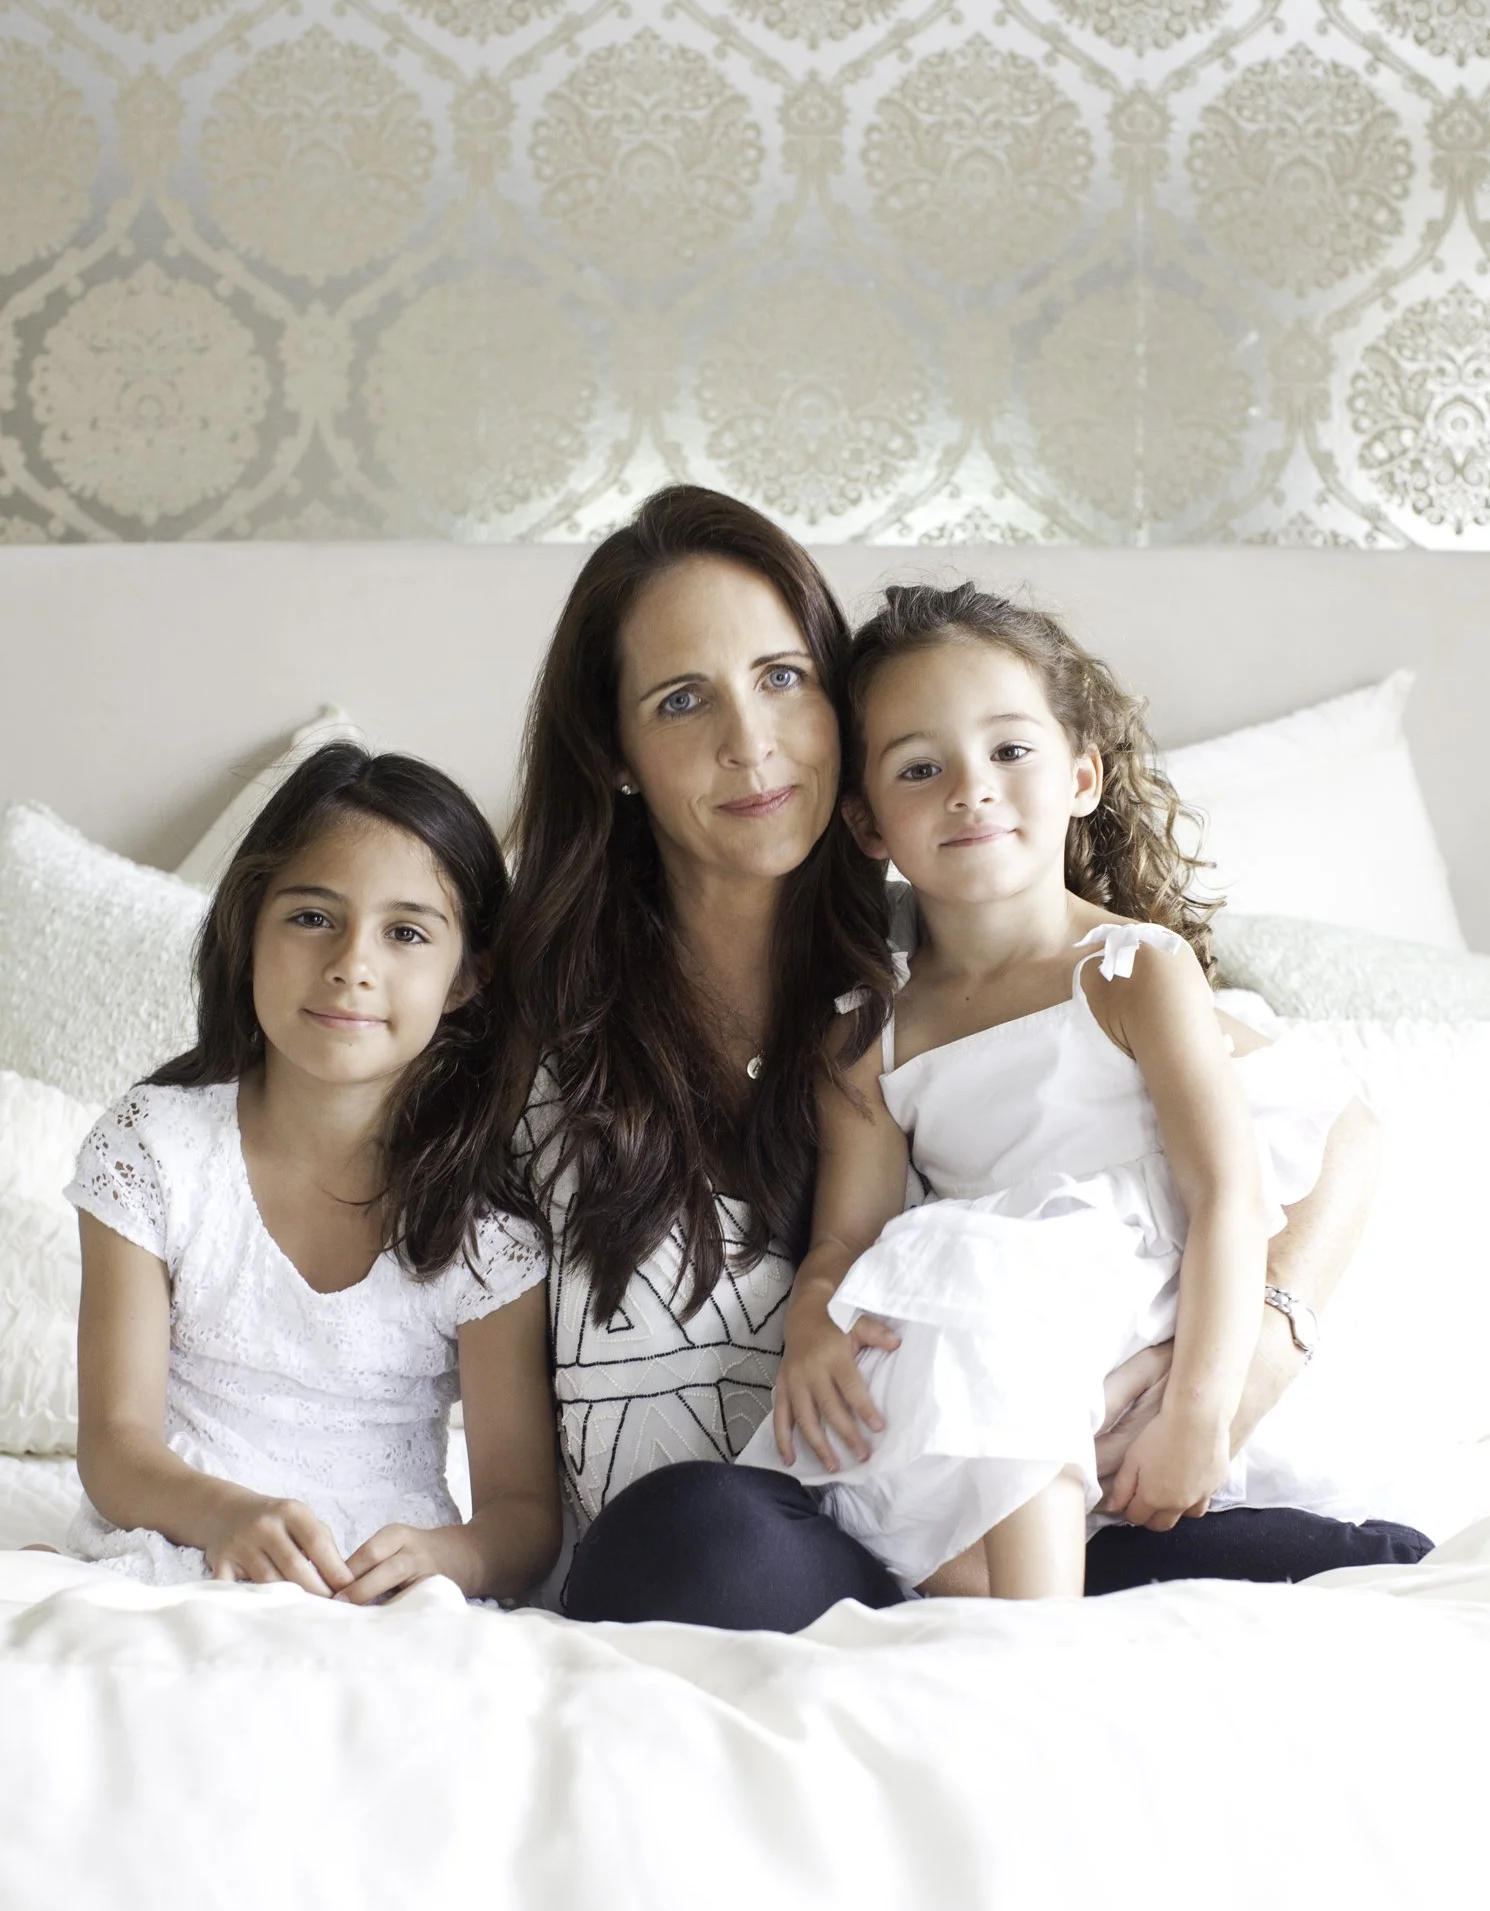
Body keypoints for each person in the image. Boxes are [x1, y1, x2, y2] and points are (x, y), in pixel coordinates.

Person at [503, 487, 1428, 1631]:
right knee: (684, 1540)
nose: (750, 742)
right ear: (617, 751)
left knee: (1365, 1582)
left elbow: (1333, 1128)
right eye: (682, 699)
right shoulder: (537, 1011)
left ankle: (1072, 1627)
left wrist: (1228, 1385)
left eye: (783, 677)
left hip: (1071, 1439)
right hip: (802, 1520)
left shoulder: (983, 925)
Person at [738, 581, 1389, 1597]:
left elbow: (1226, 1198)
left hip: (1134, 1304)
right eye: (919, 767)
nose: (969, 787)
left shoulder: (1132, 970)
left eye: (1008, 750)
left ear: (1081, 774)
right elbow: (845, 1234)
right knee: (934, 1347)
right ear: (865, 823)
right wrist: (813, 1317)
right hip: (987, 1309)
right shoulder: (868, 1030)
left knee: (995, 1307)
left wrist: (1195, 1415)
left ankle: (1045, 1651)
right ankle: (1005, 1615)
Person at [65, 744, 560, 1603]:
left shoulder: (488, 1229)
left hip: (384, 1587)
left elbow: (521, 1515)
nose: (352, 964)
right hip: (179, 1547)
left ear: (467, 977)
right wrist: (225, 1517)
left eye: (405, 933)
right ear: (248, 930)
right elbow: (114, 1445)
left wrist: (453, 1559)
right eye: (311, 917)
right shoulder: (154, 1151)